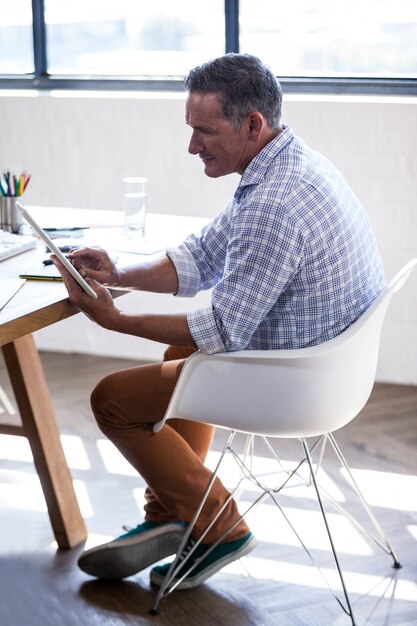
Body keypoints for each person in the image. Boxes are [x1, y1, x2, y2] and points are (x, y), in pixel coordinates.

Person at [52, 53, 386, 589]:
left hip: (292, 386)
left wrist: (115, 320)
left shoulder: (274, 203)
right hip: (327, 372)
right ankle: (171, 519)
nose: (191, 147)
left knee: (111, 401)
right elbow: (204, 255)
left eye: (204, 131)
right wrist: (120, 274)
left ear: (251, 124)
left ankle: (217, 524)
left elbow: (223, 331)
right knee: (180, 357)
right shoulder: (290, 163)